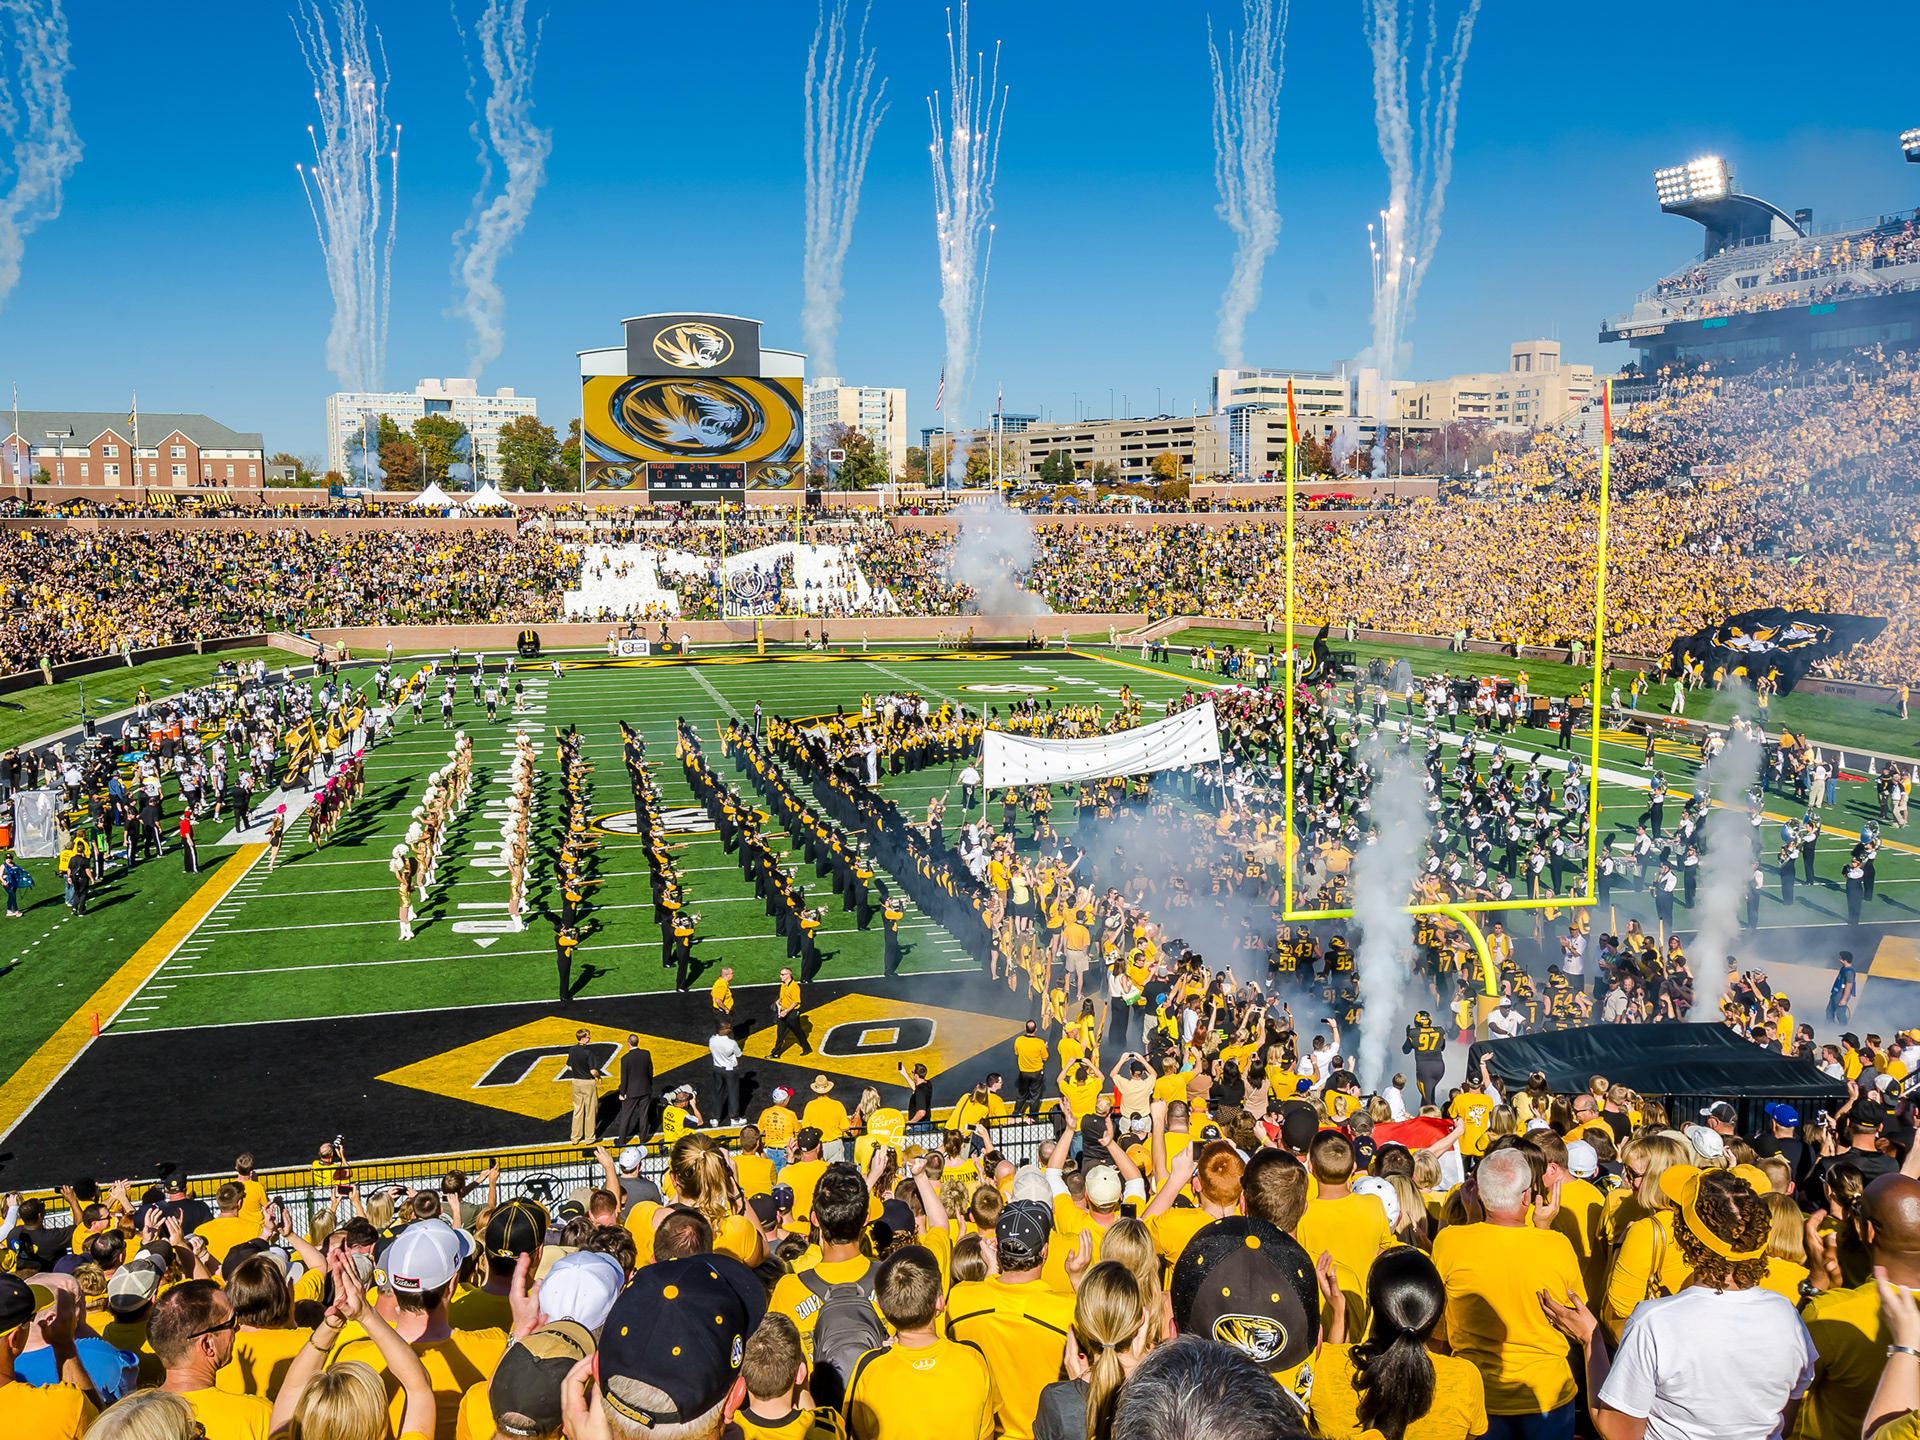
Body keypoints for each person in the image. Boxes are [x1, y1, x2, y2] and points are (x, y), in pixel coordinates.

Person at [1541, 1165, 1816, 1440]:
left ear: (1686, 1237)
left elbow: (1617, 1432)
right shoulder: (1788, 1315)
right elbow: (1784, 1421)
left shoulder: (1654, 1321)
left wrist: (1591, 1338)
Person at [1431, 1148, 1586, 1440]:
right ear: (1526, 1197)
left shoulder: (1448, 1242)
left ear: (1480, 1195)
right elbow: (1575, 1318)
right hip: (1548, 1394)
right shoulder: (1558, 1246)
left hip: (1477, 1394)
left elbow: (1439, 1324)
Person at [1309, 1246, 1487, 1440]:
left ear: (1376, 1309)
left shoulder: (1323, 1366)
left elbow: (1332, 1368)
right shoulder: (1465, 1378)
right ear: (1435, 1315)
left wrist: (1339, 1315)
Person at [845, 1245, 996, 1440]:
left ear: (880, 1308)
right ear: (940, 1302)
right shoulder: (973, 1358)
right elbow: (986, 1434)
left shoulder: (868, 1368)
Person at [1033, 1260, 1155, 1440]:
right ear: (1140, 1321)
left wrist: (1076, 1392)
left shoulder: (1057, 1400)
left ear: (1080, 1324)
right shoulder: (1162, 1393)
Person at [148, 1279, 274, 1439]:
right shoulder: (258, 1417)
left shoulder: (128, 1418)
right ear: (207, 1345)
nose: (237, 1327)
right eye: (231, 1321)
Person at [0, 1275, 97, 1438]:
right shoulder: (65, 1405)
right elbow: (100, 1427)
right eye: (30, 1320)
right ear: (14, 1338)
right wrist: (65, 1346)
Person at [562, 1029, 605, 1144]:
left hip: (576, 1082)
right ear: (584, 1038)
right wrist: (599, 1077)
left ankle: (575, 1137)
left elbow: (569, 1066)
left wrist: (578, 1070)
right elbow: (593, 1071)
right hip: (587, 1083)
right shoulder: (588, 1052)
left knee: (577, 1110)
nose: (589, 1038)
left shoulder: (572, 1050)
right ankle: (590, 1138)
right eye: (588, 1037)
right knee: (590, 1110)